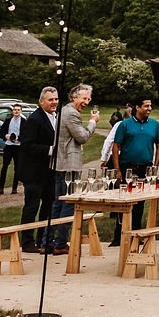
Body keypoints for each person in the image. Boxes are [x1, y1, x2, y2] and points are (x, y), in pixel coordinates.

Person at [52, 83, 97, 253]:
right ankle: (60, 243)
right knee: (69, 204)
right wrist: (92, 122)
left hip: (61, 164)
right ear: (74, 97)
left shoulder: (65, 111)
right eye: (84, 98)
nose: (87, 101)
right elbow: (82, 137)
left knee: (57, 203)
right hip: (69, 165)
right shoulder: (71, 114)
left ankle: (47, 242)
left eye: (89, 98)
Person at [112, 97, 159, 234]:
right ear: (137, 107)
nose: (149, 108)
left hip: (145, 168)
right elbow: (116, 146)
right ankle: (119, 235)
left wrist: (155, 166)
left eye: (150, 106)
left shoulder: (155, 125)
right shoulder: (125, 124)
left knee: (140, 202)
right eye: (146, 106)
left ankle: (136, 233)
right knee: (123, 201)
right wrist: (117, 170)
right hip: (127, 168)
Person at [16, 87, 60, 251]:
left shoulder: (56, 117)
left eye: (56, 99)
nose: (54, 102)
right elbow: (27, 145)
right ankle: (27, 242)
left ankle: (43, 240)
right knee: (31, 207)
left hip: (49, 171)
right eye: (50, 100)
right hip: (33, 172)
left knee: (48, 205)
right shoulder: (34, 119)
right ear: (41, 102)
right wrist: (50, 150)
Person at [0, 105, 24, 195]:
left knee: (17, 168)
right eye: (15, 110)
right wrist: (6, 136)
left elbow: (27, 135)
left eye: (18, 110)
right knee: (4, 166)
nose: (16, 111)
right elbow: (1, 132)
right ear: (12, 111)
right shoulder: (8, 121)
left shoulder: (24, 122)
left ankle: (14, 188)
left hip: (18, 147)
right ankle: (1, 187)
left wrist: (18, 138)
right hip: (8, 146)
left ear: (21, 111)